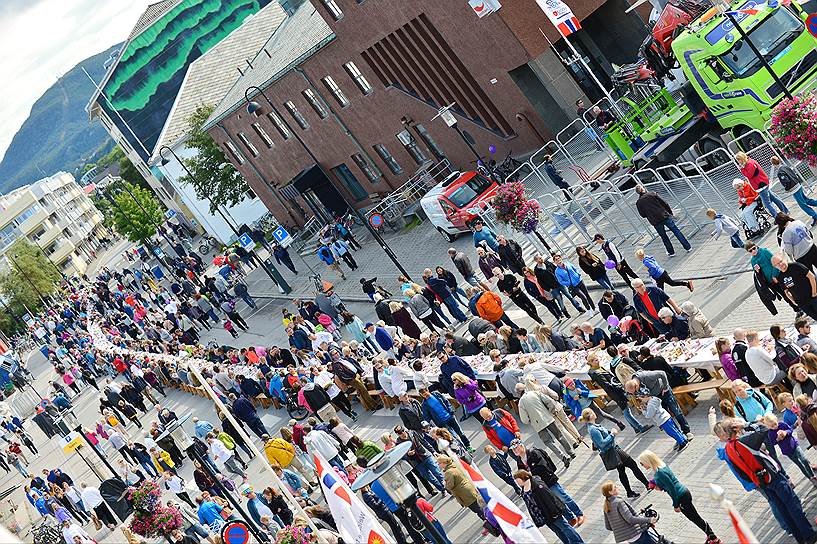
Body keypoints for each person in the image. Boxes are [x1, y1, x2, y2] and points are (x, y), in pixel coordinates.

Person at [716, 418, 815, 543]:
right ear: (736, 428)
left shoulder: (728, 449)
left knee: (783, 510)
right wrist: (746, 424)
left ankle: (799, 538)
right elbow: (764, 428)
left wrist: (755, 476)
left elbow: (742, 474)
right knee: (792, 504)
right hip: (773, 478)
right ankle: (809, 535)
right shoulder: (745, 441)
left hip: (761, 483)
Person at [638, 450, 720, 544]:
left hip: (681, 497)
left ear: (647, 461)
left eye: (642, 463)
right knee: (695, 517)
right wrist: (658, 485)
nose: (642, 465)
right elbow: (668, 483)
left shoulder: (659, 473)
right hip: (684, 493)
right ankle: (710, 536)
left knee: (695, 518)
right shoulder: (662, 466)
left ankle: (714, 538)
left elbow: (672, 489)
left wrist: (675, 505)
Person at [582, 408, 650, 498]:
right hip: (614, 451)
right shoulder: (593, 429)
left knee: (621, 471)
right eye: (593, 412)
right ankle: (647, 484)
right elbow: (602, 444)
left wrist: (610, 432)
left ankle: (629, 492)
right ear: (590, 416)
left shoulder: (593, 426)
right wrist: (612, 434)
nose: (595, 413)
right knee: (632, 464)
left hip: (613, 450)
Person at [514, 469, 584, 544]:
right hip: (544, 516)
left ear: (525, 477)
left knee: (565, 528)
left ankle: (578, 542)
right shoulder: (525, 487)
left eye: (518, 480)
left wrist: (554, 513)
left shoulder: (537, 486)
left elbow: (549, 499)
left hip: (551, 513)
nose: (517, 483)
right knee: (558, 531)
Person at [516, 380, 575, 467]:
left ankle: (562, 457)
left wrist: (530, 420)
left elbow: (524, 420)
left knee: (548, 442)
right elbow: (549, 401)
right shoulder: (535, 393)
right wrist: (551, 410)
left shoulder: (521, 403)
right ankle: (571, 452)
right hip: (548, 418)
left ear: (518, 393)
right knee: (559, 435)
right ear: (525, 388)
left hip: (538, 425)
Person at [625, 371, 691, 437]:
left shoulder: (646, 376)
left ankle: (686, 431)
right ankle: (680, 436)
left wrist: (665, 387)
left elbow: (662, 373)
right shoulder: (633, 384)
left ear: (636, 386)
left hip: (665, 392)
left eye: (634, 392)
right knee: (667, 417)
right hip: (656, 397)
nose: (634, 393)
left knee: (676, 411)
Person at [760, 413, 817, 484]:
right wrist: (777, 439)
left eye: (775, 424)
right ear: (768, 427)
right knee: (800, 464)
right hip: (787, 451)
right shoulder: (770, 433)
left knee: (804, 460)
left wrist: (785, 432)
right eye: (772, 426)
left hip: (794, 445)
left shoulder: (782, 424)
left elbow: (790, 429)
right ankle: (811, 478)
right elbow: (773, 442)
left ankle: (812, 474)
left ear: (776, 420)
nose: (775, 426)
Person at [634, 184, 690, 256]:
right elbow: (664, 203)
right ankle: (687, 247)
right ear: (643, 189)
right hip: (664, 216)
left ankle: (671, 252)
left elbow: (642, 215)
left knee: (664, 236)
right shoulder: (653, 194)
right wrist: (670, 212)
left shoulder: (638, 203)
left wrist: (649, 214)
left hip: (655, 221)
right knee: (676, 231)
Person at [736, 150, 788, 217]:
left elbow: (749, 175)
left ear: (742, 159)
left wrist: (742, 169)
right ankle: (785, 211)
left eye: (738, 160)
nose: (738, 162)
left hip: (761, 185)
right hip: (762, 184)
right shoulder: (750, 162)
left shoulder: (750, 164)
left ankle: (777, 217)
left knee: (767, 203)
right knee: (773, 198)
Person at [771, 155, 817, 225]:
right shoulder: (785, 166)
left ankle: (815, 216)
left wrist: (786, 189)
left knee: (802, 205)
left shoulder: (780, 172)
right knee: (806, 200)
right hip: (798, 185)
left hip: (794, 189)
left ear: (773, 164)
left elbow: (786, 181)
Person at [437, 455, 485, 520]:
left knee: (478, 510)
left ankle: (491, 524)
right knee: (480, 506)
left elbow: (450, 486)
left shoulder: (448, 472)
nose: (438, 465)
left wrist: (444, 484)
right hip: (469, 488)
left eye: (439, 463)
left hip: (464, 494)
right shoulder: (454, 465)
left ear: (443, 463)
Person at [773, 253, 817, 319]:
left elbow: (811, 276)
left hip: (813, 298)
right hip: (803, 304)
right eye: (777, 264)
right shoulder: (780, 277)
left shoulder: (795, 266)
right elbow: (786, 291)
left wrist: (814, 293)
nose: (780, 264)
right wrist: (793, 301)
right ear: (775, 266)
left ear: (784, 259)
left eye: (781, 261)